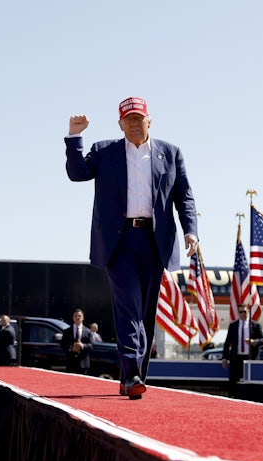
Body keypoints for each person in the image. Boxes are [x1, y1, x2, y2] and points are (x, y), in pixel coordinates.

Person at [65, 97, 199, 399]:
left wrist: (191, 232)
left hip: (155, 241)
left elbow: (184, 197)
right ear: (120, 124)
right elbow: (77, 173)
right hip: (119, 240)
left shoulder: (170, 153)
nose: (134, 123)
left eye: (139, 117)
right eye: (129, 119)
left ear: (150, 120)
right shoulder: (104, 151)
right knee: (129, 307)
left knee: (145, 313)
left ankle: (131, 378)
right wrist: (75, 136)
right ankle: (134, 372)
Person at [222, 303, 263, 397]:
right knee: (233, 383)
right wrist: (224, 358)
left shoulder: (255, 325)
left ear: (248, 311)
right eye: (240, 312)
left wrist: (254, 342)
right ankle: (232, 401)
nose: (243, 314)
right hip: (236, 359)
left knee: (251, 385)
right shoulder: (233, 326)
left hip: (250, 358)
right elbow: (227, 343)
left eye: (244, 312)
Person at [61, 309, 93, 374]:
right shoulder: (67, 331)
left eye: (79, 316)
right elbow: (63, 345)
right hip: (70, 362)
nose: (77, 318)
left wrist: (82, 346)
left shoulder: (88, 331)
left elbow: (91, 345)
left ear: (83, 318)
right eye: (75, 316)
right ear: (73, 318)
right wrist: (71, 348)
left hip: (83, 363)